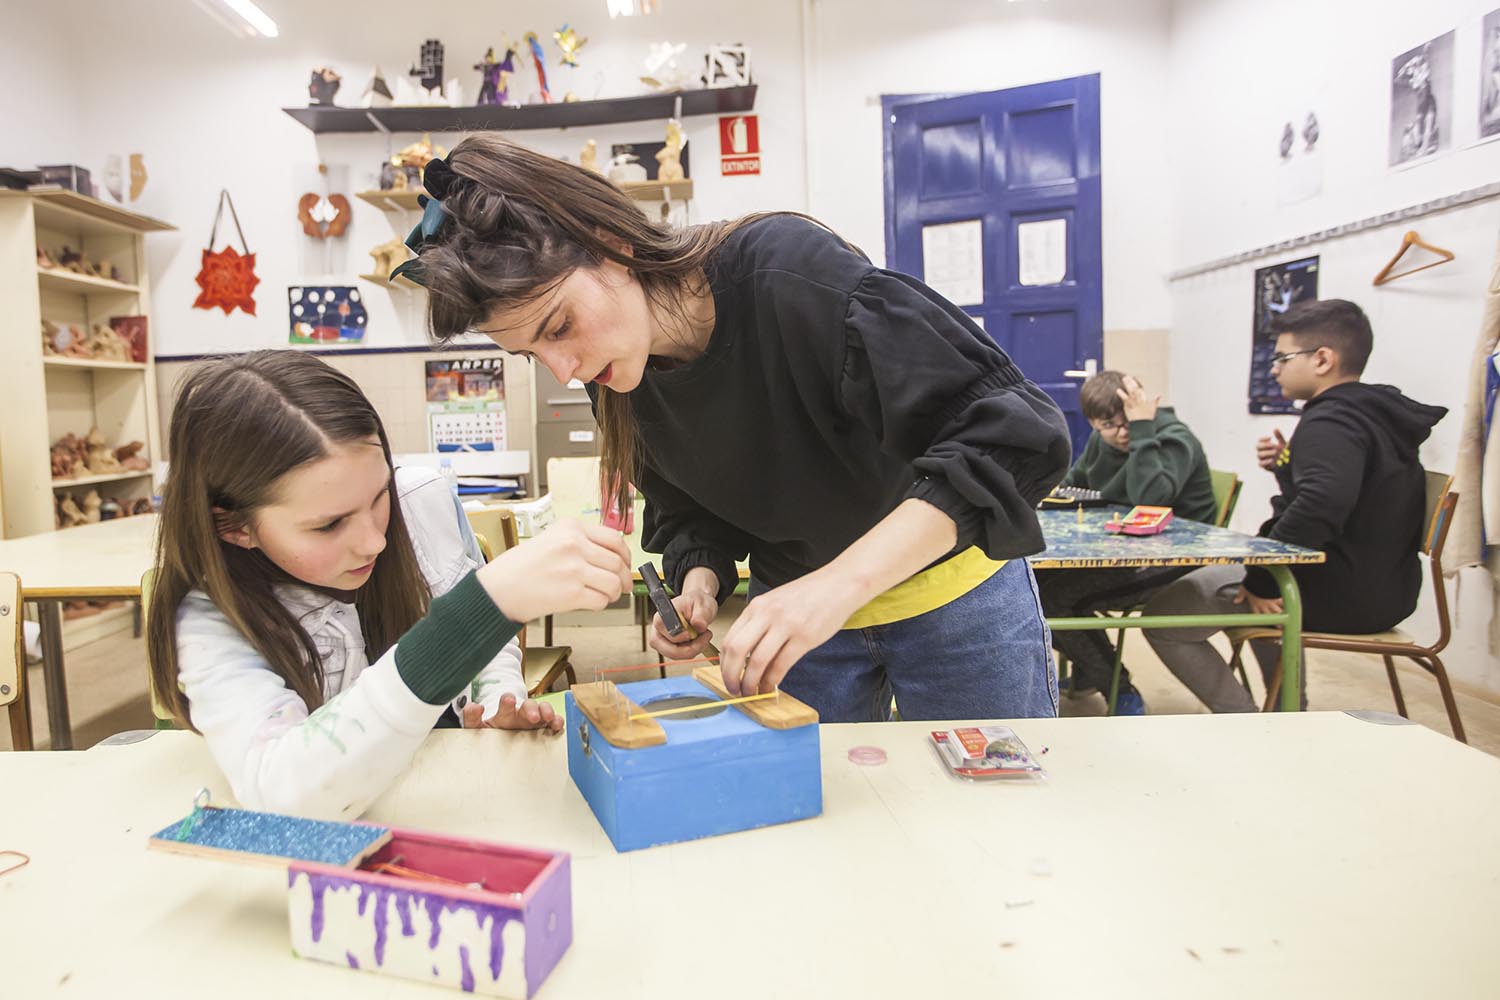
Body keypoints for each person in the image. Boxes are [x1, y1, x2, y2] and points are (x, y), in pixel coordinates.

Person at [399, 135, 1072, 723]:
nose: (563, 371)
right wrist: (700, 583)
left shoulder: (787, 272)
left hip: (953, 599)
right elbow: (690, 510)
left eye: (559, 327)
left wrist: (836, 587)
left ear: (612, 245)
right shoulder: (618, 377)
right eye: (531, 354)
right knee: (814, 814)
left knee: (989, 809)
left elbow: (1011, 437)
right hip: (792, 627)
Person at [146, 351, 633, 817]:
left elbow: (490, 653)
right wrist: (482, 609)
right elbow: (285, 791)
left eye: (381, 494)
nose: (375, 541)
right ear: (235, 526)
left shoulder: (422, 500)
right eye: (328, 525)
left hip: (446, 803)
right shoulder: (212, 618)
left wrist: (494, 706)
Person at [1142, 300, 1447, 711]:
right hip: (1386, 589)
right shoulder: (1370, 414)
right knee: (1239, 584)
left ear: (1322, 359)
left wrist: (1262, 581)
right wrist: (1288, 467)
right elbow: (1349, 496)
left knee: (1165, 616)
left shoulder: (1330, 422)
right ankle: (1286, 710)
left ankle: (1253, 723)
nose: (1274, 369)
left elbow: (1321, 504)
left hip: (1341, 594)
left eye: (1283, 358)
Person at [1035, 371, 1217, 715]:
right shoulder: (1100, 443)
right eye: (1109, 425)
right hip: (1121, 551)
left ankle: (1118, 688)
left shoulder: (1173, 438)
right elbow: (1073, 487)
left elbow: (1151, 499)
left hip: (1175, 560)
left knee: (1054, 600)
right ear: (1092, 424)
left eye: (1128, 422)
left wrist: (1143, 430)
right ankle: (1091, 668)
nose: (1122, 433)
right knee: (1032, 586)